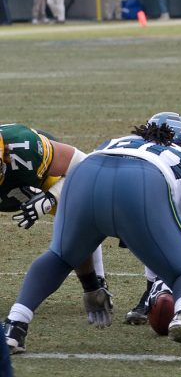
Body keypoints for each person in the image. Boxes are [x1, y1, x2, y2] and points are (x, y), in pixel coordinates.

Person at [5, 115, 181, 362]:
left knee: (59, 257)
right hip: (142, 182)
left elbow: (84, 242)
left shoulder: (117, 142)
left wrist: (91, 286)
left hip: (85, 172)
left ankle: (14, 325)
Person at [1, 123, 107, 352]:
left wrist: (50, 197)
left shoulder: (26, 148)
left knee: (78, 212)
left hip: (36, 180)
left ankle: (97, 282)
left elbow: (85, 166)